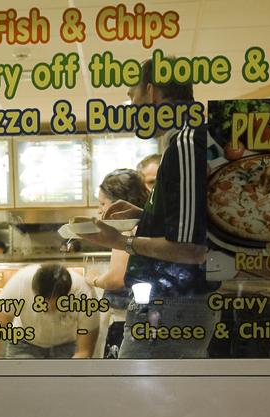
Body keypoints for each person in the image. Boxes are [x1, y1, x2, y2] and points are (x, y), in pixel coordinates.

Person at [86, 59, 220, 359]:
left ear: (152, 92)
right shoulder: (188, 140)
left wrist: (121, 242)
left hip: (173, 308)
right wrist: (144, 215)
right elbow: (189, 222)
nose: (131, 110)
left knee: (137, 402)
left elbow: (190, 249)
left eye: (132, 98)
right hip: (174, 306)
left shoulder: (186, 143)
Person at [85, 169, 151, 358]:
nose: (99, 209)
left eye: (103, 203)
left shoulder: (125, 230)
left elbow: (116, 278)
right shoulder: (147, 223)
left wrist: (94, 279)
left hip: (127, 318)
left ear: (118, 204)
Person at [0, 263, 99, 359]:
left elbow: (84, 351)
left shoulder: (84, 293)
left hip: (65, 345)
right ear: (35, 292)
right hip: (24, 343)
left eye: (57, 305)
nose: (49, 309)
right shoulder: (19, 283)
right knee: (19, 385)